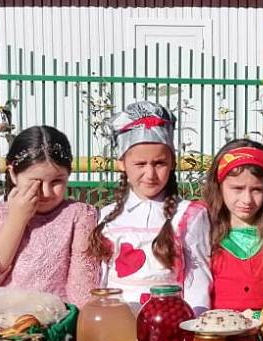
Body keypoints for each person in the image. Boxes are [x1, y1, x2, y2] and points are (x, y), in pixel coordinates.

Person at [87, 101, 211, 310]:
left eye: (159, 163)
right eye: (140, 164)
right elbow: (101, 279)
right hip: (119, 320)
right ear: (122, 163)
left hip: (169, 320)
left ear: (172, 162)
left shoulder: (189, 215)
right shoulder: (107, 216)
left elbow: (198, 281)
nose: (150, 174)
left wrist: (194, 321)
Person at [0, 126, 99, 305]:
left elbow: (83, 292)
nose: (46, 192)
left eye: (56, 181)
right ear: (13, 174)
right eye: (35, 182)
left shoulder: (79, 216)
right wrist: (16, 220)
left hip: (56, 318)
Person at [202, 139, 263, 310]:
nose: (247, 200)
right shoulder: (204, 232)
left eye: (256, 190)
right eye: (237, 188)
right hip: (218, 325)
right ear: (219, 186)